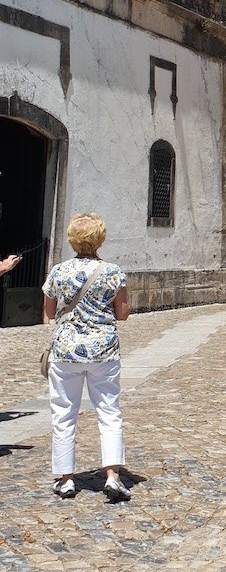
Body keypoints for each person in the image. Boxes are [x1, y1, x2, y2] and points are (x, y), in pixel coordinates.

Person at [42, 213, 130, 501]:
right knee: (109, 411)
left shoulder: (58, 271)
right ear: (100, 239)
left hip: (66, 351)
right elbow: (123, 313)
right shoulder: (114, 272)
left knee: (64, 413)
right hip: (103, 351)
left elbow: (50, 312)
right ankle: (113, 476)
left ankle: (66, 479)